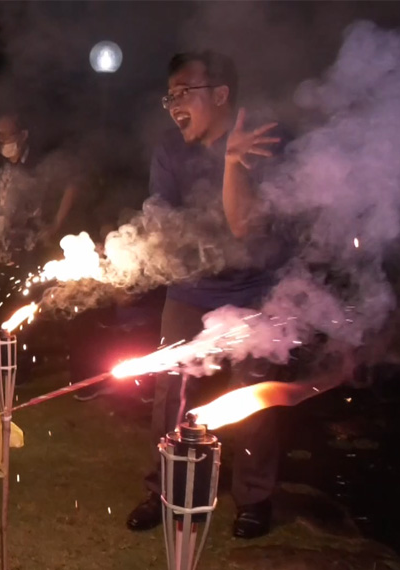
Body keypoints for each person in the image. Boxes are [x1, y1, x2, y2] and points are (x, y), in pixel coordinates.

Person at [125, 51, 285, 539]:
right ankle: (165, 489)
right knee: (170, 394)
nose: (173, 104)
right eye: (169, 95)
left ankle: (255, 499)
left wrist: (233, 161)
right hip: (190, 292)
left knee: (253, 399)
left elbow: (245, 226)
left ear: (219, 95)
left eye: (184, 92)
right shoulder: (170, 150)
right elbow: (160, 216)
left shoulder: (259, 142)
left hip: (255, 291)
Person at [0, 112, 77, 387]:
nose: (0, 141)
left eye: (6, 135)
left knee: (22, 308)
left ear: (22, 135)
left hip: (27, 247)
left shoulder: (40, 163)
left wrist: (56, 224)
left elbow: (72, 185)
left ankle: (20, 368)